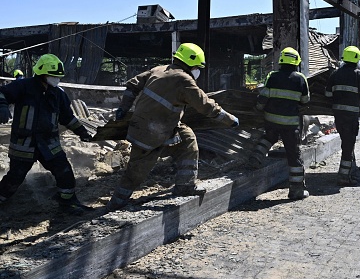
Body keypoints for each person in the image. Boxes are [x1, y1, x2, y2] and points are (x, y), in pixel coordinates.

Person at [107, 43, 239, 211]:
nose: (198, 70)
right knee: (137, 171)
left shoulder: (159, 69)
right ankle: (116, 204)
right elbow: (205, 105)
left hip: (151, 125)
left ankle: (185, 185)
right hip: (152, 131)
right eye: (198, 67)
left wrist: (123, 108)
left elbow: (132, 85)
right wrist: (230, 119)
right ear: (192, 64)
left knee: (188, 139)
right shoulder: (184, 80)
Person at [0, 54, 93, 212]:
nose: (56, 79)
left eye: (58, 77)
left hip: (49, 143)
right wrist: (2, 105)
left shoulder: (58, 94)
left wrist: (82, 131)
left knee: (64, 171)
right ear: (42, 73)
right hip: (24, 143)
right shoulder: (23, 86)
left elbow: (67, 117)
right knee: (15, 177)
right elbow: (2, 93)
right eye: (53, 76)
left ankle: (67, 202)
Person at [248, 47, 310, 200]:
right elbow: (305, 101)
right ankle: (296, 191)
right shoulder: (300, 79)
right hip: (290, 124)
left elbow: (263, 98)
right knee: (293, 155)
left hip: (271, 120)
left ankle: (256, 156)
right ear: (296, 62)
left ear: (281, 61)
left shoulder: (272, 76)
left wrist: (257, 109)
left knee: (269, 137)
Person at [325, 46, 360, 185]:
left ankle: (351, 170)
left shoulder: (335, 74)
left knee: (346, 142)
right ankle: (344, 176)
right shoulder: (359, 75)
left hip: (338, 115)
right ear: (356, 60)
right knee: (348, 145)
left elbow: (327, 94)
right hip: (352, 116)